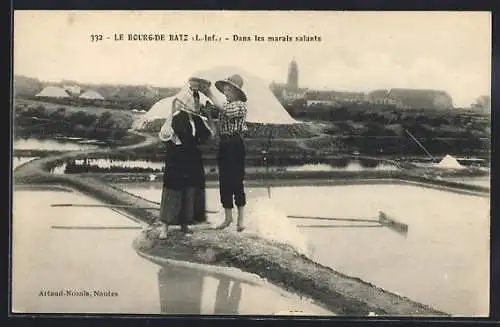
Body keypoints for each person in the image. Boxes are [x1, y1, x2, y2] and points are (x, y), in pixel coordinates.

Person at [157, 77, 214, 239]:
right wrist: (174, 138)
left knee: (189, 189)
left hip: (192, 158)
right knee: (173, 189)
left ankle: (184, 223)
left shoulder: (197, 119)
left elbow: (208, 135)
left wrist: (208, 116)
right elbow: (165, 135)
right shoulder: (176, 117)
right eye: (194, 101)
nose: (196, 104)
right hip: (177, 158)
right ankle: (165, 227)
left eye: (197, 101)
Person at [200, 74, 248, 232]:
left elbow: (225, 110)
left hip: (235, 144)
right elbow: (216, 128)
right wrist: (207, 114)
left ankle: (240, 219)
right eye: (225, 90)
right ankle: (228, 218)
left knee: (236, 180)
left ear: (236, 92)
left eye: (228, 90)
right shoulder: (225, 106)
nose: (225, 93)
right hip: (225, 145)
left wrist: (209, 93)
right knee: (224, 182)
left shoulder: (239, 105)